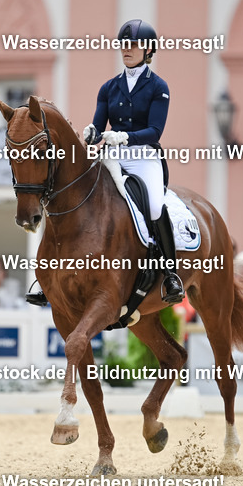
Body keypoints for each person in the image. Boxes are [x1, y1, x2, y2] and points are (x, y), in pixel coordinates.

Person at [26, 19, 183, 305]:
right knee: (71, 197)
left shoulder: (159, 87)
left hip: (143, 158)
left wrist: (124, 137)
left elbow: (155, 131)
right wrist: (93, 132)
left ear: (148, 50)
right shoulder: (109, 87)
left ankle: (170, 272)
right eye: (123, 45)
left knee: (156, 206)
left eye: (133, 45)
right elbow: (99, 125)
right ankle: (46, 273)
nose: (127, 50)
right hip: (111, 156)